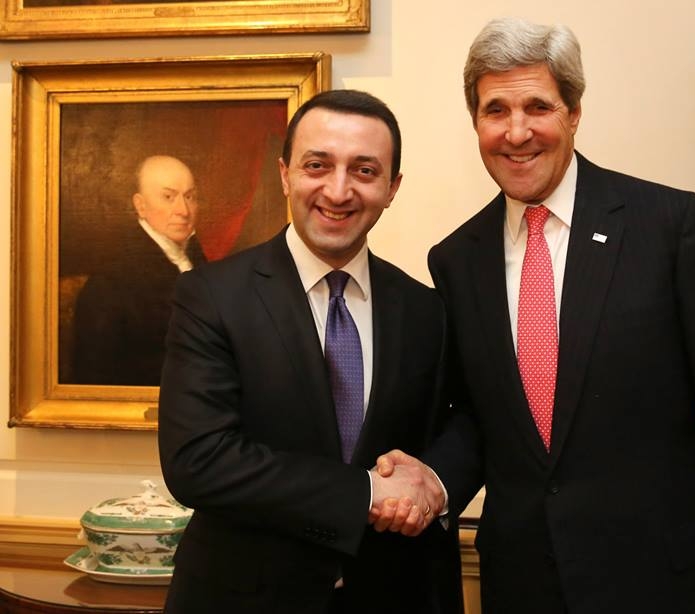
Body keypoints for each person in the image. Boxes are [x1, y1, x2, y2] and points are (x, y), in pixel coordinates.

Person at [375, 16, 695, 614]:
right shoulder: (456, 260)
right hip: (523, 588)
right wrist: (431, 481)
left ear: (573, 112)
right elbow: (480, 419)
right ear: (475, 122)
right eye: (495, 110)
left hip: (662, 586)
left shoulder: (671, 228)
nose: (517, 132)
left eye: (538, 107)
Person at [158, 90, 461, 613]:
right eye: (317, 165)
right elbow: (198, 461)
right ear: (285, 175)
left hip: (393, 596)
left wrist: (433, 482)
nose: (338, 191)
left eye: (364, 171)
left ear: (392, 188)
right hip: (245, 601)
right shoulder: (211, 296)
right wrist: (366, 492)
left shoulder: (426, 309)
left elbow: (463, 424)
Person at [70, 154, 207, 386]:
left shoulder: (197, 261)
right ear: (141, 206)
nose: (183, 210)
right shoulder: (110, 282)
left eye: (189, 197)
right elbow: (94, 378)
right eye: (168, 197)